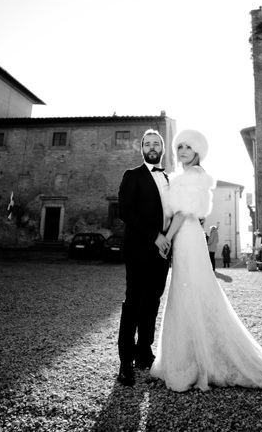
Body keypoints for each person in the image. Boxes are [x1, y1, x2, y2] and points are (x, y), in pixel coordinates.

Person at [150, 129, 262, 392]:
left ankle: (194, 360)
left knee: (190, 291)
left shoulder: (194, 175)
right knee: (188, 291)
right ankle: (191, 354)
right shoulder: (189, 176)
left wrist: (165, 239)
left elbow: (181, 212)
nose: (183, 152)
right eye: (180, 148)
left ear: (198, 151)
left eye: (189, 147)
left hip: (186, 236)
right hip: (186, 238)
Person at [116, 129, 171, 387]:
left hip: (162, 256)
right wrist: (155, 236)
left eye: (155, 143)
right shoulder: (132, 176)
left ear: (162, 147)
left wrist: (169, 240)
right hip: (139, 252)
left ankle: (143, 353)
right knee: (133, 306)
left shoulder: (169, 179)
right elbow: (126, 211)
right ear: (142, 149)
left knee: (152, 304)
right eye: (147, 143)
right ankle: (125, 362)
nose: (151, 147)